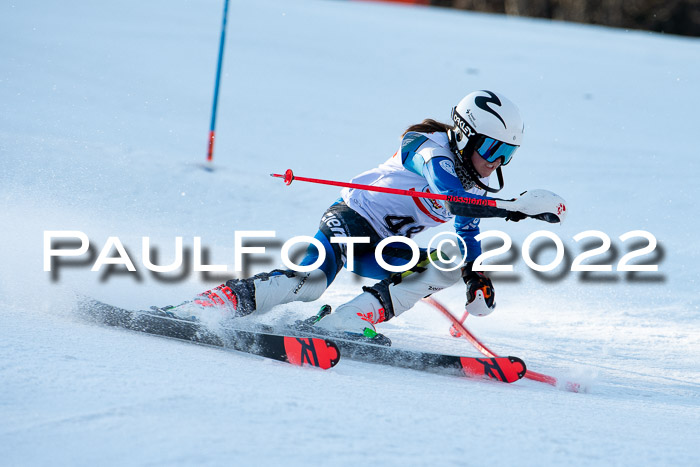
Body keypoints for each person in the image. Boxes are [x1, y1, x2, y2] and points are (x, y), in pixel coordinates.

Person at [163, 90, 566, 344]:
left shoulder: (476, 183)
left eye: (507, 156)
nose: (495, 164)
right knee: (311, 282)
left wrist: (475, 276)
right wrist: (514, 207)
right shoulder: (428, 148)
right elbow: (451, 197)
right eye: (492, 150)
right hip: (351, 222)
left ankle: (346, 323)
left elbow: (466, 230)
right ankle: (211, 303)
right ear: (464, 134)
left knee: (449, 263)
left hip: (388, 248)